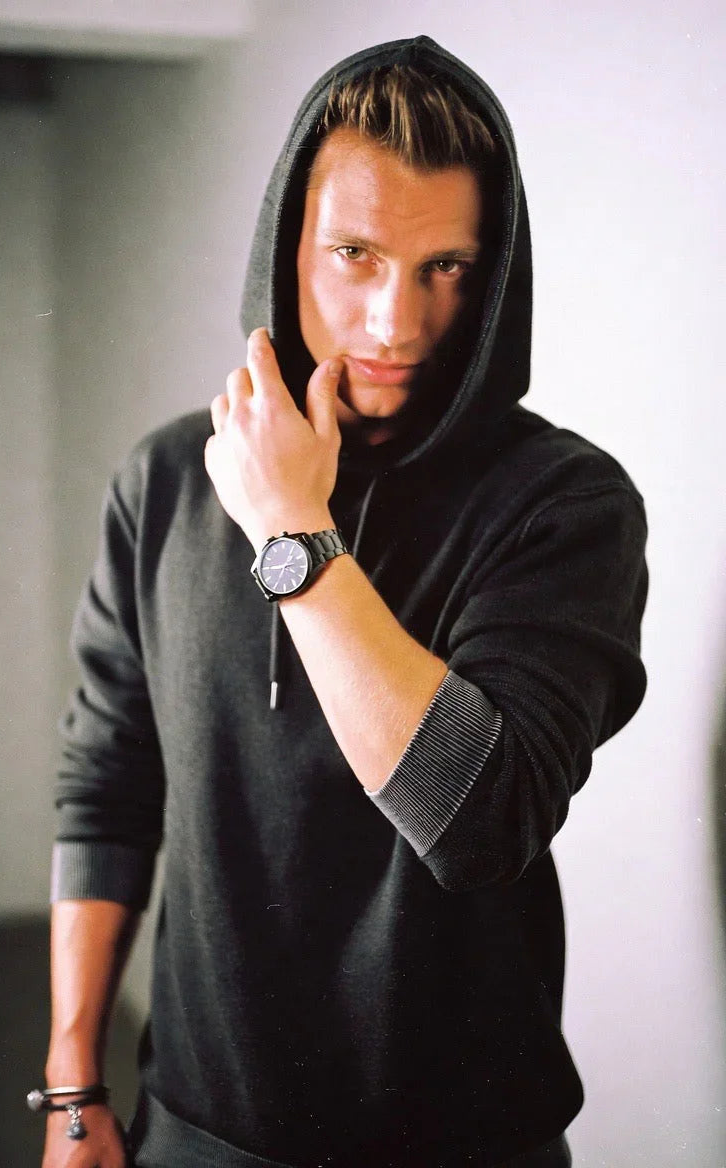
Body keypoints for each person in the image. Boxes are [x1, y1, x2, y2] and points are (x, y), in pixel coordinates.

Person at [38, 35, 647, 1168]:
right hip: (196, 1135)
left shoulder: (565, 505)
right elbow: (107, 784)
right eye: (354, 256)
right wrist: (74, 1085)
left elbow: (474, 822)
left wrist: (290, 531)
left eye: (445, 269)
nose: (395, 325)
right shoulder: (170, 480)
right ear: (286, 251)